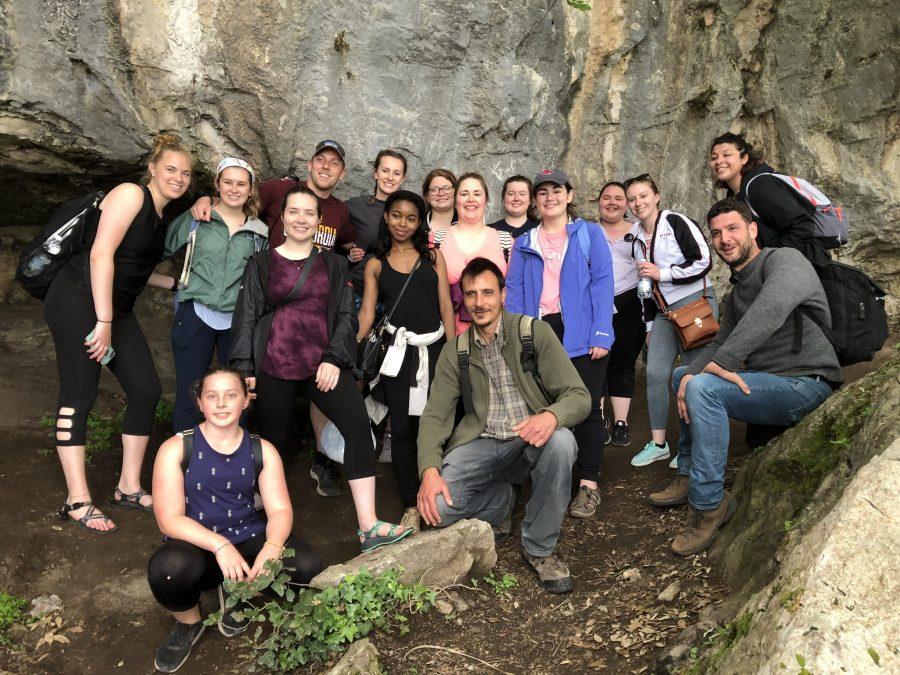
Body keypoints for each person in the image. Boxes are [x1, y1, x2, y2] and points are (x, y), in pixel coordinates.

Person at [648, 198, 840, 555]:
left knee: (704, 387)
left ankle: (709, 506)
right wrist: (691, 374)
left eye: (733, 228)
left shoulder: (784, 260)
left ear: (753, 229)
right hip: (767, 381)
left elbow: (773, 307)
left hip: (805, 384)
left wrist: (721, 364)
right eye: (717, 233)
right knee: (682, 375)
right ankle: (689, 474)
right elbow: (719, 340)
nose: (724, 239)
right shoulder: (737, 292)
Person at [230, 185, 412, 550]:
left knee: (359, 427)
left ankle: (369, 525)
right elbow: (246, 316)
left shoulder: (334, 263)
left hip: (321, 362)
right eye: (293, 211)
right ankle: (261, 520)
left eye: (308, 213)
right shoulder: (261, 263)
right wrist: (244, 368)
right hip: (274, 361)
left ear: (318, 222)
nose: (301, 219)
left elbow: (346, 316)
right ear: (282, 217)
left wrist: (333, 358)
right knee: (272, 441)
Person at [45, 134, 192, 534]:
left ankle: (128, 487)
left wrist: (176, 284)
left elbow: (134, 270)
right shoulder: (130, 194)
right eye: (170, 169)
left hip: (114, 309)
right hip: (78, 300)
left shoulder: (160, 218)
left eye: (185, 173)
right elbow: (100, 254)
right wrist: (104, 322)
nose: (178, 178)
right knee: (79, 392)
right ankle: (77, 500)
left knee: (145, 389)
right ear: (152, 169)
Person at [417, 258, 591, 593]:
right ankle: (501, 503)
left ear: (503, 294)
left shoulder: (532, 332)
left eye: (487, 292)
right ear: (463, 300)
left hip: (529, 440)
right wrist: (429, 470)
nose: (479, 302)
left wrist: (551, 416)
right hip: (480, 442)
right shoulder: (457, 351)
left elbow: (578, 395)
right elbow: (435, 414)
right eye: (471, 295)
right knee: (435, 509)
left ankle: (539, 547)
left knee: (563, 442)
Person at [192, 140, 354, 498]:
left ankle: (321, 461)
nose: (326, 168)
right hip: (273, 331)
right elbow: (238, 196)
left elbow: (347, 255)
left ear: (342, 173)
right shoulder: (278, 189)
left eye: (334, 164)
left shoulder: (341, 212)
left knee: (322, 407)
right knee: (266, 422)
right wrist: (205, 201)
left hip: (314, 337)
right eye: (321, 160)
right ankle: (237, 482)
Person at [147, 366, 322, 673]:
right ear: (200, 403)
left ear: (246, 400)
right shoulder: (176, 448)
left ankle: (238, 590)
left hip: (246, 534)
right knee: (168, 572)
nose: (221, 403)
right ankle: (189, 623)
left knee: (307, 566)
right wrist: (219, 545)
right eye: (211, 396)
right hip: (196, 542)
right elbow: (168, 520)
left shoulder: (262, 450)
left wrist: (272, 545)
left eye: (231, 395)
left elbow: (280, 509)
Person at [505, 169, 614, 520]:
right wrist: (519, 337)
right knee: (545, 404)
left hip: (581, 331)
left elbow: (602, 283)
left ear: (569, 195)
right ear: (535, 201)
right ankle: (554, 477)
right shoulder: (525, 242)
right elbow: (516, 292)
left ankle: (588, 485)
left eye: (557, 190)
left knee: (587, 407)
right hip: (540, 331)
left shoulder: (588, 233)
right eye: (543, 193)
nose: (550, 197)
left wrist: (601, 332)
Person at [357, 190, 455, 532]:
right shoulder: (375, 263)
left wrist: (455, 351)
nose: (403, 223)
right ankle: (410, 503)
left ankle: (440, 491)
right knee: (401, 429)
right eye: (396, 215)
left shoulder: (433, 256)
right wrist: (345, 351)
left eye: (411, 218)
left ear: (420, 222)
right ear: (386, 216)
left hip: (435, 349)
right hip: (397, 355)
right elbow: (367, 313)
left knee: (439, 421)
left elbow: (446, 305)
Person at [162, 158, 268, 432]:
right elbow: (156, 250)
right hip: (195, 313)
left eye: (241, 183)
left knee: (236, 397)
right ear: (217, 184)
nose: (234, 189)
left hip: (237, 323)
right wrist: (172, 284)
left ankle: (231, 465)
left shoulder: (260, 233)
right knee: (190, 395)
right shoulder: (197, 219)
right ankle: (186, 466)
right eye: (228, 182)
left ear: (251, 189)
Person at [624, 174, 716, 470]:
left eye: (643, 196)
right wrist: (649, 324)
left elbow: (703, 261)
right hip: (663, 313)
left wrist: (662, 273)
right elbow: (644, 286)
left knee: (690, 376)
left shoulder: (675, 222)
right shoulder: (636, 237)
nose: (638, 203)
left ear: (657, 196)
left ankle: (690, 447)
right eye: (633, 199)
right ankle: (659, 444)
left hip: (693, 305)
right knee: (655, 372)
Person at [708, 132, 830, 268]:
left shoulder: (759, 186)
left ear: (744, 158)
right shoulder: (736, 195)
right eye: (714, 157)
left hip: (804, 269)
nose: (719, 161)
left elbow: (802, 226)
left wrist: (772, 263)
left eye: (726, 155)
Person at [431, 173, 513, 334]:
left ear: (486, 200)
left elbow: (514, 292)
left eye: (477, 193)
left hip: (497, 334)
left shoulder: (505, 241)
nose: (470, 199)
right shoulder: (436, 240)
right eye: (464, 194)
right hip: (450, 335)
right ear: (455, 201)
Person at [597, 181, 646, 447]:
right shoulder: (588, 231)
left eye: (618, 198)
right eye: (607, 197)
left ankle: (621, 422)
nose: (612, 202)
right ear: (599, 201)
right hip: (596, 305)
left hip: (629, 304)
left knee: (623, 364)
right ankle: (600, 419)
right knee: (597, 363)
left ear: (626, 204)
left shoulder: (638, 231)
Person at [346, 149, 408, 305]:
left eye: (396, 173)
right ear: (375, 173)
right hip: (359, 293)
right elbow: (333, 229)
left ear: (403, 178)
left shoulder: (410, 210)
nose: (389, 177)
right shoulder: (356, 206)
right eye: (385, 171)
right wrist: (348, 251)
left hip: (395, 296)